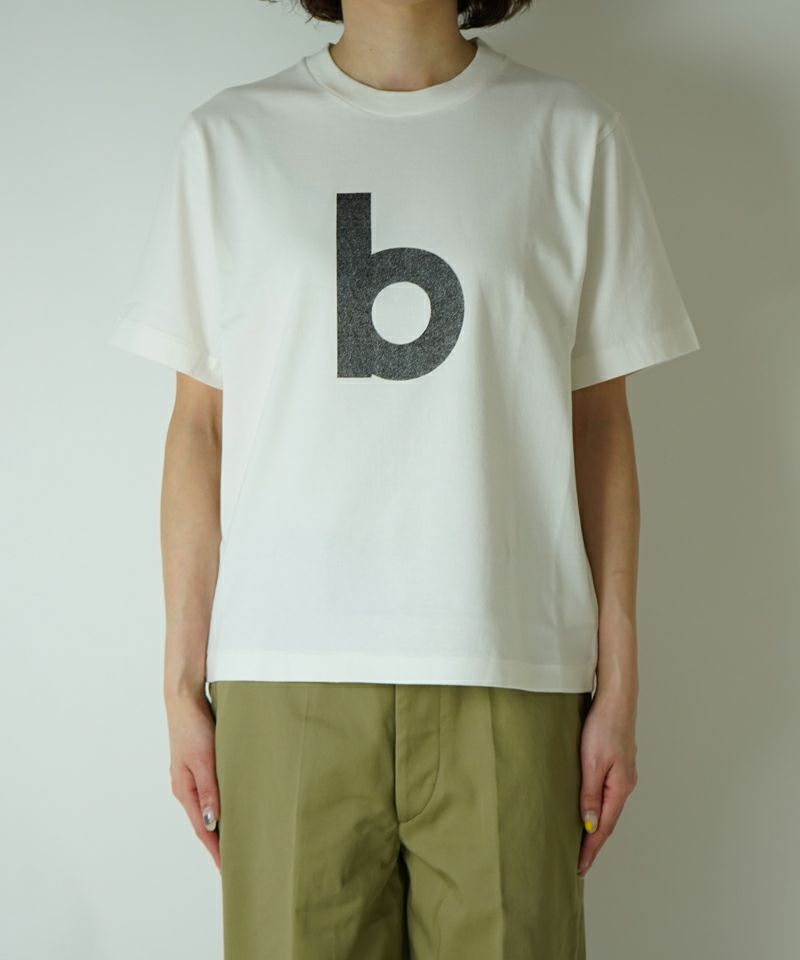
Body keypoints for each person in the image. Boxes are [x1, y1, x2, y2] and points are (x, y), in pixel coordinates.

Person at [109, 1, 700, 957]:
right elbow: (199, 428)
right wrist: (181, 684)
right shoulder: (230, 140)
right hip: (285, 675)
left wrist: (619, 684)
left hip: (507, 663)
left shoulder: (571, 135)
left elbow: (599, 425)